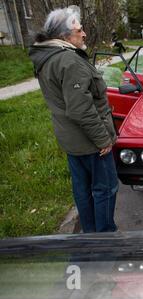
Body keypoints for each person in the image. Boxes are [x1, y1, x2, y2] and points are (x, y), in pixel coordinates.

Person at [29, 6, 119, 233]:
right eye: (79, 30)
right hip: (91, 143)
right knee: (105, 188)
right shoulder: (69, 61)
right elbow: (81, 109)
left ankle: (89, 235)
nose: (84, 33)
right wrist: (103, 140)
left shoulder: (48, 57)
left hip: (72, 140)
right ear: (64, 36)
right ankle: (105, 237)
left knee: (83, 189)